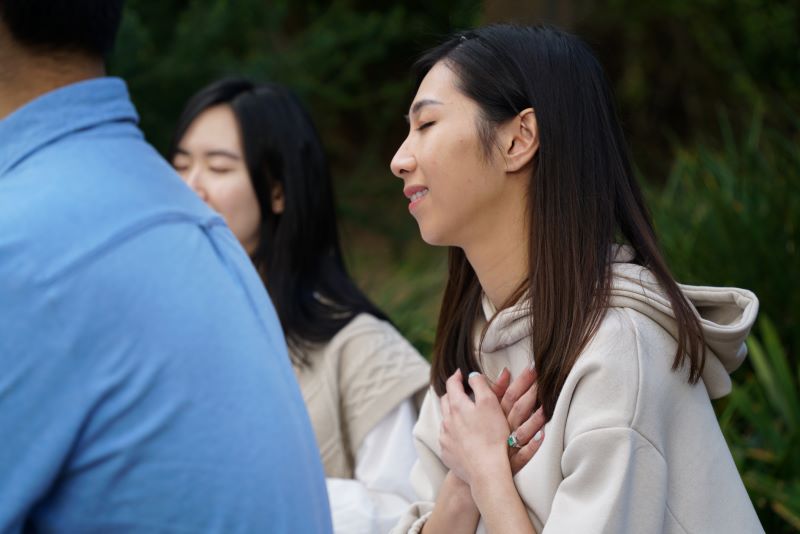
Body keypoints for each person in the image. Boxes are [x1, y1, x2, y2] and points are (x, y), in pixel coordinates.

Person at [389, 24, 763, 533]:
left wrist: (487, 475)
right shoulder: (473, 339)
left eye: (426, 124)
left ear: (518, 139)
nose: (399, 159)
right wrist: (462, 487)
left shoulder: (618, 353)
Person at [0, 2, 331, 532]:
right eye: (188, 161)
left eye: (221, 165)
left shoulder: (23, 249)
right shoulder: (199, 234)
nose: (197, 178)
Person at [168, 78, 431, 534]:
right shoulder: (165, 332)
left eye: (219, 167)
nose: (191, 187)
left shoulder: (360, 348)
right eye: (180, 165)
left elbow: (408, 513)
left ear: (277, 192)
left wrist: (264, 491)